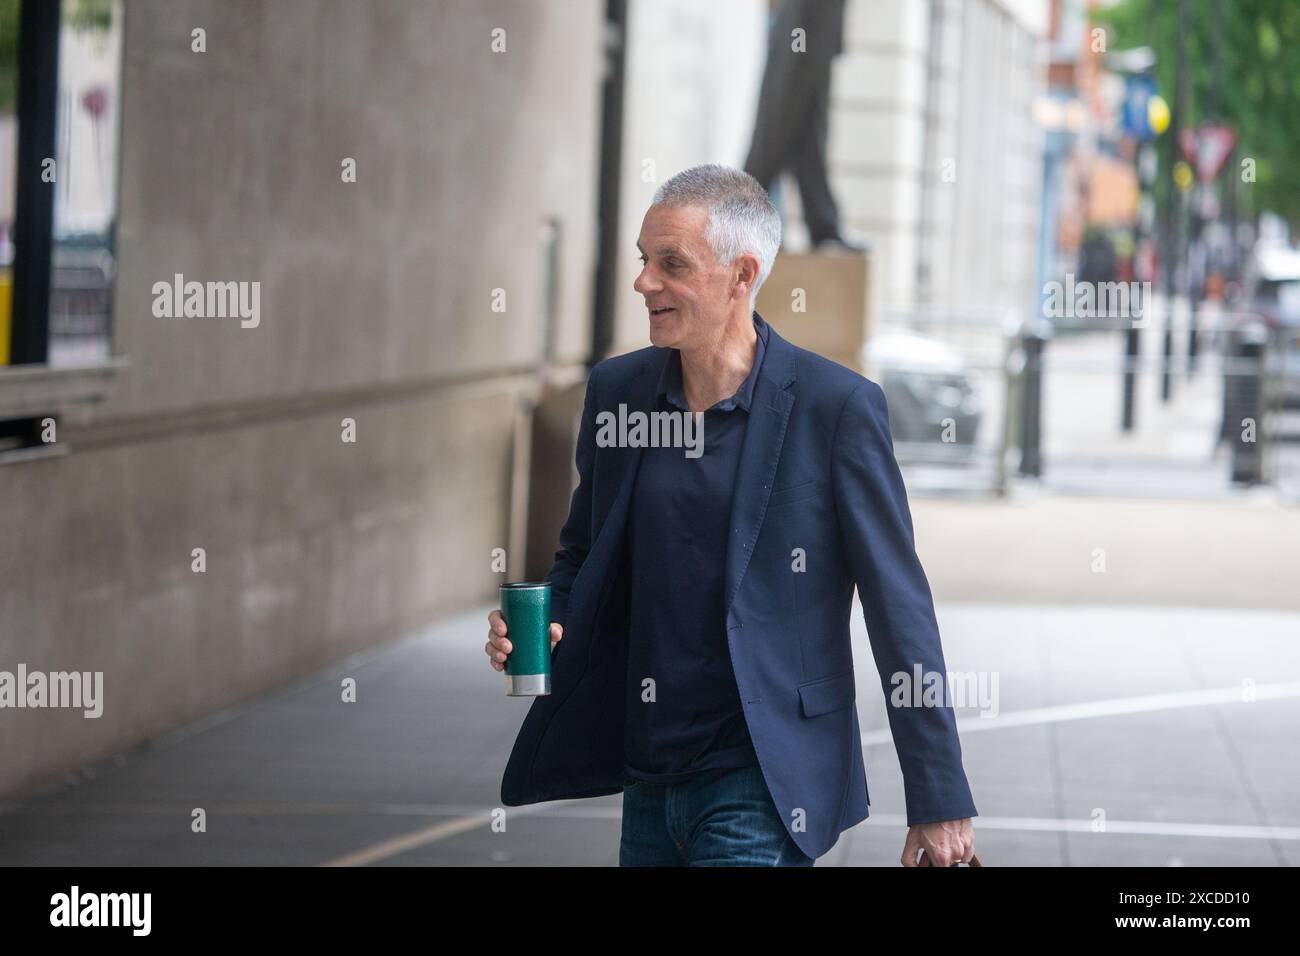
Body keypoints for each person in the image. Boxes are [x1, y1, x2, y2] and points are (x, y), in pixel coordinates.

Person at [489, 164, 976, 866]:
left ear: (741, 276)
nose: (643, 283)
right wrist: (539, 626)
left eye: (671, 264)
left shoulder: (834, 408)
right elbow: (581, 555)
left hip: (763, 777)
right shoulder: (620, 393)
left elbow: (900, 609)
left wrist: (939, 795)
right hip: (648, 773)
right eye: (643, 260)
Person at [743, 0, 863, 252]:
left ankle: (821, 224)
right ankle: (741, 216)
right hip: (802, 25)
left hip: (814, 29)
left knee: (808, 133)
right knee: (777, 128)